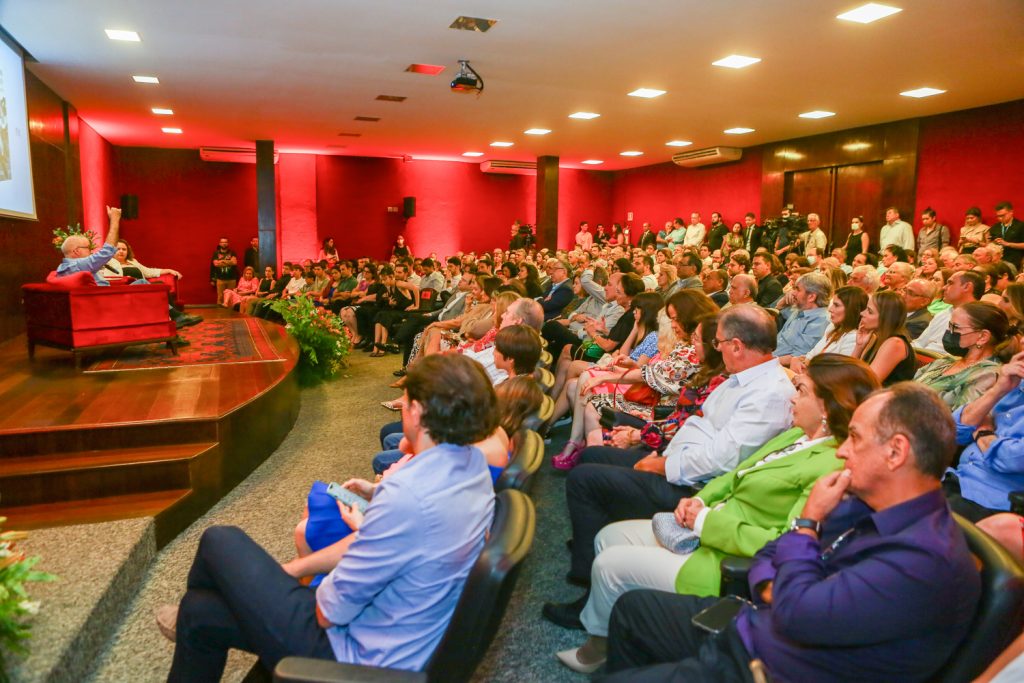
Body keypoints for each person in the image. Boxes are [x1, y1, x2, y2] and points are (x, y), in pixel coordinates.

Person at [600, 382, 980, 683]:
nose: (843, 451)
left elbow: (796, 611)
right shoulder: (863, 503)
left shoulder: (924, 560)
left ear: (896, 452)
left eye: (855, 438)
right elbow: (770, 555)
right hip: (754, 626)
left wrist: (807, 523)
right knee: (634, 611)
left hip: (768, 667)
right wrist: (780, 585)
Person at [156, 354, 497, 680]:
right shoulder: (473, 466)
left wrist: (281, 582)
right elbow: (426, 519)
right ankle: (189, 614)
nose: (403, 408)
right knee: (200, 614)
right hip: (406, 639)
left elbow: (327, 612)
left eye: (406, 401)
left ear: (419, 412)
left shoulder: (406, 497)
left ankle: (196, 610)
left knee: (219, 539)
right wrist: (378, 496)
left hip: (356, 656)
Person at [553, 355, 880, 673]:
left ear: (826, 406)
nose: (793, 397)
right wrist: (699, 502)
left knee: (610, 565)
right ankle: (616, 633)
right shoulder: (798, 435)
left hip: (723, 557)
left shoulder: (831, 465)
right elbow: (736, 475)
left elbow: (785, 541)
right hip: (704, 524)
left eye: (802, 391)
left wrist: (706, 521)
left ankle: (600, 646)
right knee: (608, 537)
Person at [548, 305, 795, 593]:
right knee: (592, 455)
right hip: (680, 460)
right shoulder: (742, 379)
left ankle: (587, 578)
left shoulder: (769, 393)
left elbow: (722, 459)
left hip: (696, 489)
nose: (717, 348)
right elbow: (697, 425)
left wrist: (662, 464)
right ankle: (591, 537)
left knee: (584, 480)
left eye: (720, 343)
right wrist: (662, 452)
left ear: (737, 346)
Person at [944, 348, 1024, 520]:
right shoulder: (1015, 383)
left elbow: (1012, 459)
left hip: (992, 502)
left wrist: (983, 433)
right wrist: (998, 390)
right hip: (957, 477)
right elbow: (953, 431)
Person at [914, 301, 1011, 409]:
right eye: (949, 326)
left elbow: (960, 418)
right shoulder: (945, 361)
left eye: (956, 327)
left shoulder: (988, 375)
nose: (949, 332)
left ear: (982, 337)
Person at [914, 269, 984, 353]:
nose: (944, 287)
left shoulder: (977, 319)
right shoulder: (943, 313)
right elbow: (920, 343)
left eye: (950, 283)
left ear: (967, 287)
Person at [854, 291, 916, 385]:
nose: (862, 313)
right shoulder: (875, 338)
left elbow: (868, 383)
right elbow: (850, 371)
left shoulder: (895, 343)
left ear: (885, 318)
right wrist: (859, 346)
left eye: (869, 311)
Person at [773, 272, 833, 357]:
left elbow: (797, 357)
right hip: (771, 355)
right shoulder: (800, 309)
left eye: (797, 289)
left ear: (811, 297)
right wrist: (782, 304)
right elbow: (778, 311)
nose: (792, 293)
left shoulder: (820, 322)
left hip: (780, 365)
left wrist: (766, 362)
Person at [210, 237, 239, 305]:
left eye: (225, 242)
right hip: (220, 279)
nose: (224, 244)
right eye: (222, 242)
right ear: (219, 243)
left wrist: (221, 262)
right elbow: (215, 264)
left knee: (231, 297)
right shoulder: (216, 253)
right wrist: (229, 262)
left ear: (228, 243)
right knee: (220, 297)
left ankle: (231, 313)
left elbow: (234, 262)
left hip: (231, 279)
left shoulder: (232, 252)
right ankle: (219, 313)